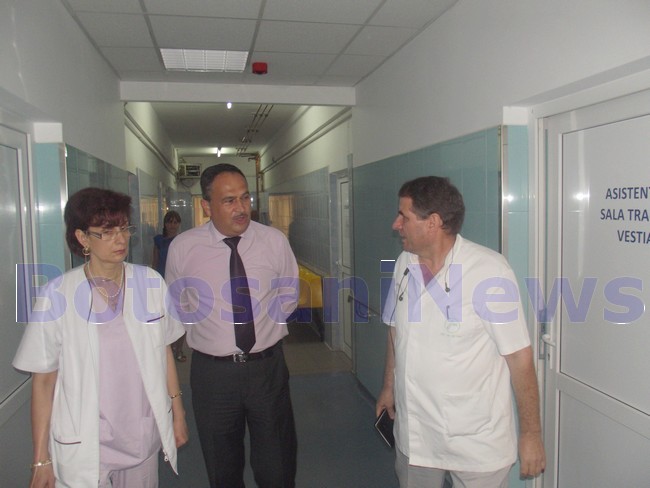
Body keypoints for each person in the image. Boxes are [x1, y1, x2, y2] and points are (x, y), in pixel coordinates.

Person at [13, 187, 189, 488]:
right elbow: (43, 381)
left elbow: (163, 352)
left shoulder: (150, 282)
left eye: (124, 229)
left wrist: (178, 413)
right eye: (107, 232)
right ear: (82, 238)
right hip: (85, 441)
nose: (120, 239)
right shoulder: (58, 294)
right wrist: (41, 457)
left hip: (140, 435)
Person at [376, 176, 545, 488]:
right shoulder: (404, 264)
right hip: (416, 434)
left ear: (433, 222)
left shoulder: (489, 271)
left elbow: (519, 358)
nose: (396, 224)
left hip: (476, 440)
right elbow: (396, 331)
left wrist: (531, 434)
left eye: (404, 216)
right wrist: (388, 387)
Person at [166, 163, 299, 488]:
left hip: (267, 369)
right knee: (222, 468)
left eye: (244, 197)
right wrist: (215, 332)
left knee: (278, 467)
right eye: (229, 200)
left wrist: (263, 328)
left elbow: (288, 296)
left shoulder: (273, 241)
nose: (241, 208)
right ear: (206, 206)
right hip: (213, 376)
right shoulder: (184, 247)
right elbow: (179, 305)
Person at [152, 210, 186, 362]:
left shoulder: (182, 240)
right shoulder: (159, 240)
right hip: (162, 280)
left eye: (175, 222)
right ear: (165, 223)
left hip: (178, 282)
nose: (172, 225)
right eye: (170, 222)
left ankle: (178, 349)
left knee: (181, 317)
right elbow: (155, 261)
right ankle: (168, 349)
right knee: (165, 317)